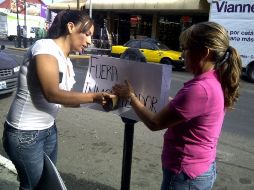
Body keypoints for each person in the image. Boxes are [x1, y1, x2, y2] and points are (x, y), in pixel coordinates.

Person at [113, 21, 242, 190]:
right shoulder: (213, 79)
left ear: (204, 52)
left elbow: (154, 123)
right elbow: (185, 109)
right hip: (200, 168)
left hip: (186, 175)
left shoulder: (200, 89)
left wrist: (130, 96)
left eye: (186, 48)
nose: (182, 54)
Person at [2, 9, 111, 190]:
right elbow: (52, 93)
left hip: (48, 130)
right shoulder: (45, 47)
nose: (90, 41)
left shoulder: (66, 61)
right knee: (32, 186)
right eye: (87, 34)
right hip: (25, 134)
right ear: (70, 27)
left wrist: (98, 102)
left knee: (47, 185)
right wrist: (94, 96)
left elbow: (64, 100)